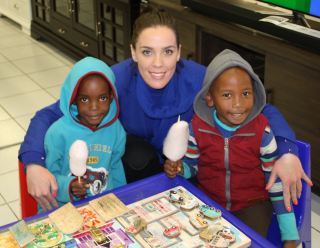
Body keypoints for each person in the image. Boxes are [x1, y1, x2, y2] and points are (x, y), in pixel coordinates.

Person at [18, 7, 311, 212]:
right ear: (133, 52)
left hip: (190, 176)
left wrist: (286, 151)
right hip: (135, 177)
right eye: (147, 52)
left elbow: (261, 111)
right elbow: (50, 114)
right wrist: (34, 163)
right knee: (135, 153)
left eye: (167, 52)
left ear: (179, 51)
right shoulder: (115, 79)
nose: (158, 64)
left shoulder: (200, 79)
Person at [164, 49, 298, 246]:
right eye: (227, 95)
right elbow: (193, 166)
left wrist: (290, 235)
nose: (238, 104)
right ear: (210, 99)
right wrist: (178, 169)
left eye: (245, 93)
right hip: (208, 202)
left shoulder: (263, 133)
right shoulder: (197, 128)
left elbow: (276, 185)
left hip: (252, 207)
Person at [41, 57, 126, 210]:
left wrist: (124, 198)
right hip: (65, 208)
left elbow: (115, 168)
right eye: (85, 99)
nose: (94, 107)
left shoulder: (116, 130)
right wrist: (69, 186)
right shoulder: (57, 133)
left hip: (102, 206)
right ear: (73, 100)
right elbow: (47, 178)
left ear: (111, 98)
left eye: (102, 98)